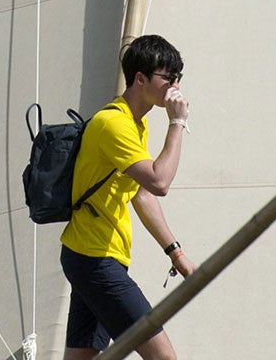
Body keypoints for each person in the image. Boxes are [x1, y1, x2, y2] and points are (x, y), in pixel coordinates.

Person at [60, 34, 194, 358]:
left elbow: (142, 195)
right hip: (96, 260)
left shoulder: (135, 125)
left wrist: (175, 253)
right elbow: (160, 182)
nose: (175, 87)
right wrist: (177, 123)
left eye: (178, 78)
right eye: (168, 78)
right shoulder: (114, 124)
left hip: (94, 257)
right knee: (164, 357)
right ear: (140, 78)